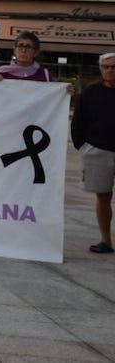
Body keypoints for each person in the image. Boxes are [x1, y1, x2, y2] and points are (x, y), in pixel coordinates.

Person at [71, 53, 115, 254]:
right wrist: (84, 147)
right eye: (105, 67)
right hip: (98, 152)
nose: (109, 70)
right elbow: (78, 122)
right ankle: (106, 240)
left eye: (113, 67)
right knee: (102, 198)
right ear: (100, 69)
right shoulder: (91, 92)